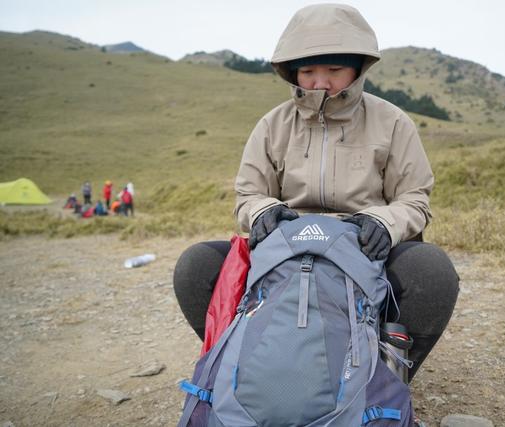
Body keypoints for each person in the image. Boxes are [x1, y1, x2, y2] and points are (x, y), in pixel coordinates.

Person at [173, 3, 458, 393]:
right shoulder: (272, 125)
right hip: (287, 251)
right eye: (307, 71)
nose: (320, 83)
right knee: (197, 267)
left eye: (334, 70)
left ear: (358, 68)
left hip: (365, 247)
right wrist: (263, 211)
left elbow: (415, 198)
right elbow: (248, 193)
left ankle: (383, 385)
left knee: (432, 271)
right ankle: (242, 368)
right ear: (292, 73)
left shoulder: (393, 123)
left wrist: (386, 223)